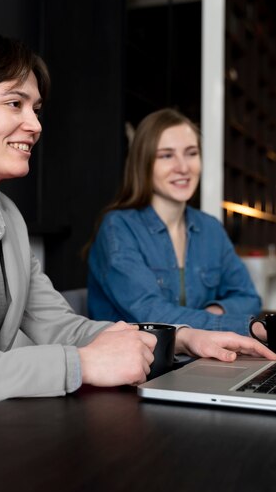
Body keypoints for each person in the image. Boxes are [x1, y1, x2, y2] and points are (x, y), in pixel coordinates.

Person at [0, 38, 272, 442]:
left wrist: (181, 336)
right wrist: (77, 365)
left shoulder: (7, 217)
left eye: (36, 109)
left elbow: (62, 327)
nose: (36, 125)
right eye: (13, 103)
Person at [86, 108, 261, 336]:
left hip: (201, 359)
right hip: (142, 369)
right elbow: (154, 316)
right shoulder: (118, 228)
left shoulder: (210, 228)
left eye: (191, 153)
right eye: (166, 155)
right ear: (144, 162)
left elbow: (249, 298)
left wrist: (215, 311)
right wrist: (234, 324)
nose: (183, 167)